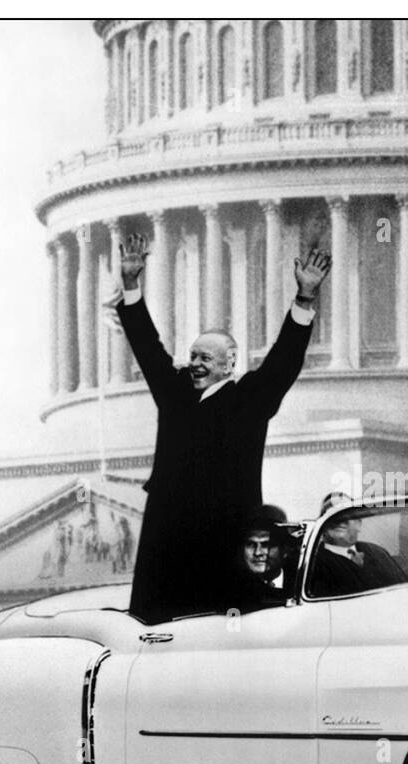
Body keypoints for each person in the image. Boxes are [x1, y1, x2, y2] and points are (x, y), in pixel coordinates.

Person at [114, 234, 329, 622]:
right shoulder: (175, 392)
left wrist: (305, 300)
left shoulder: (249, 399)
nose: (194, 363)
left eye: (205, 358)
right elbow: (148, 348)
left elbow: (283, 362)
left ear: (229, 363)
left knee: (218, 624)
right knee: (158, 624)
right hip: (168, 532)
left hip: (224, 530)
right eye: (192, 355)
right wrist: (132, 285)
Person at [309, 497, 406, 597]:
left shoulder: (377, 552)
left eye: (346, 514)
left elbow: (404, 589)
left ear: (359, 524)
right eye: (332, 515)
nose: (338, 520)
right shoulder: (313, 563)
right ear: (323, 525)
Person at [230, 505, 290, 612]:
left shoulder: (304, 584)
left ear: (284, 550)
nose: (258, 553)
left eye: (266, 545)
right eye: (251, 544)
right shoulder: (233, 593)